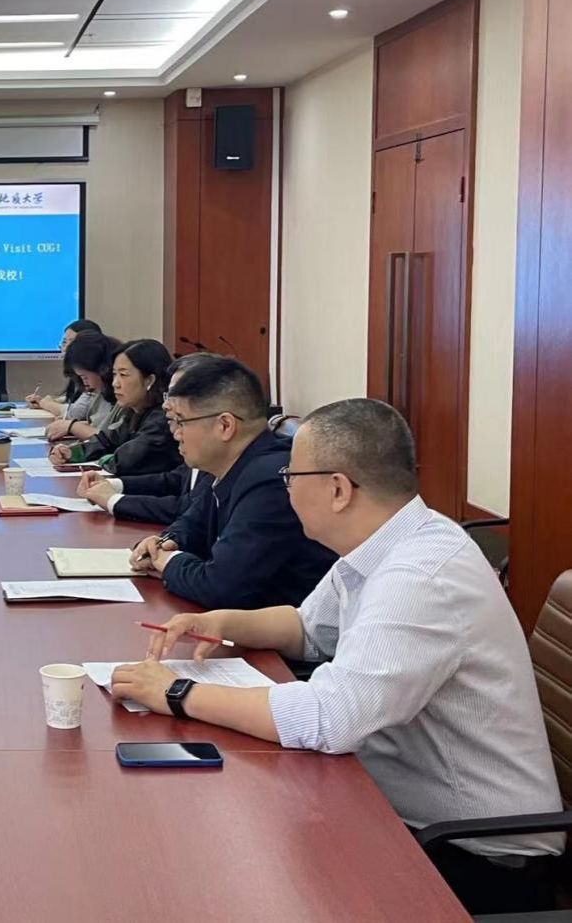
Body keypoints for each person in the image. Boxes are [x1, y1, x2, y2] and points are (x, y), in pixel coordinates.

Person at [112, 399, 564, 915]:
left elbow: (328, 719)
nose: (285, 488)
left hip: (475, 854)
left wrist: (176, 692)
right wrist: (222, 623)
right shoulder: (384, 544)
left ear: (337, 489)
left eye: (291, 476)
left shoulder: (420, 576)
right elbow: (310, 629)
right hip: (394, 806)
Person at [127, 356, 334, 609]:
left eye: (182, 421)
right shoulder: (231, 464)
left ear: (225, 425)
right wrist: (166, 542)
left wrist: (167, 562)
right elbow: (193, 522)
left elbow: (220, 587)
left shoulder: (271, 482)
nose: (176, 433)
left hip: (281, 630)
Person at [78, 352, 217, 523]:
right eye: (168, 395)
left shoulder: (168, 425)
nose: (166, 405)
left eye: (123, 374)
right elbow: (175, 480)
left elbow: (188, 509)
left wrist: (113, 500)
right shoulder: (137, 413)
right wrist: (113, 485)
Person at [49, 339, 179, 478]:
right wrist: (71, 452)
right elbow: (107, 441)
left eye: (123, 375)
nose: (115, 383)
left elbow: (124, 462)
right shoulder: (136, 411)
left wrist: (103, 459)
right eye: (114, 374)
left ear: (149, 380)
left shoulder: (163, 419)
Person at [42, 331, 124, 444]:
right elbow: (95, 424)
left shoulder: (124, 399)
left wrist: (72, 426)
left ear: (102, 370)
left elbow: (111, 439)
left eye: (85, 377)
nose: (85, 383)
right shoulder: (100, 393)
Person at [26, 318, 102, 419]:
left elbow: (76, 413)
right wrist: (43, 402)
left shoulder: (94, 372)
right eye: (64, 342)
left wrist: (47, 404)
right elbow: (74, 399)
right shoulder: (77, 373)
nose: (66, 348)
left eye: (72, 343)